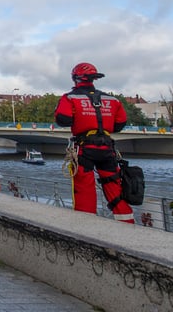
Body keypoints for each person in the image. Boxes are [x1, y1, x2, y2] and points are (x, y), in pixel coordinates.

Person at [54, 62, 135, 223]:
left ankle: (87, 225)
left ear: (75, 78)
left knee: (84, 189)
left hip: (84, 150)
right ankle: (127, 223)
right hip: (107, 149)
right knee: (114, 186)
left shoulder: (70, 98)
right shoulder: (112, 100)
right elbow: (119, 125)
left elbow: (63, 120)